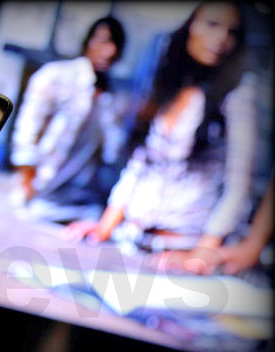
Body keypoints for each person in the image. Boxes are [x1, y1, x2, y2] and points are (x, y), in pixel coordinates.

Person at [66, 2, 258, 274]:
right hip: (131, 239)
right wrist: (105, 226)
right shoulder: (170, 86)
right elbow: (140, 163)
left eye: (232, 32)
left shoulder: (238, 96)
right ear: (190, 27)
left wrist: (203, 253)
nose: (221, 38)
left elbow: (239, 186)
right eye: (213, 24)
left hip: (182, 248)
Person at [10, 16, 127, 222]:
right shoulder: (56, 75)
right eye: (103, 41)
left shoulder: (112, 97)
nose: (110, 51)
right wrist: (27, 179)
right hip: (40, 194)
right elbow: (27, 127)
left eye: (115, 45)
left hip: (83, 202)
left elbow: (111, 153)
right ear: (88, 41)